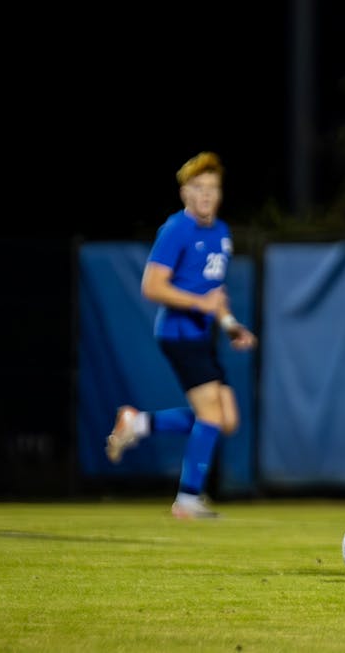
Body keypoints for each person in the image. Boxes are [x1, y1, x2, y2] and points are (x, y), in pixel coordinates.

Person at [105, 151, 257, 519]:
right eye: (198, 188)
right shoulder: (176, 229)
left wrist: (231, 325)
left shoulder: (221, 233)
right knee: (210, 414)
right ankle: (188, 499)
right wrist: (199, 304)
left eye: (213, 188)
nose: (206, 195)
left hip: (204, 335)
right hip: (178, 333)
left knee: (227, 419)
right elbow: (153, 286)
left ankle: (138, 423)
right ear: (185, 193)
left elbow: (215, 296)